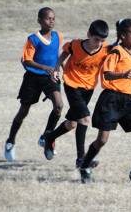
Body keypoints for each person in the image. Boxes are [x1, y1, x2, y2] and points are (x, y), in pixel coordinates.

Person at [79, 18, 131, 183]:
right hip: (111, 100)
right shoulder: (116, 51)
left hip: (127, 100)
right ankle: (85, 165)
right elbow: (106, 73)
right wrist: (122, 75)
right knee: (102, 140)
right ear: (122, 35)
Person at [41, 20, 110, 169]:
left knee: (72, 123)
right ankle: (81, 159)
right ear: (88, 35)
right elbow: (65, 52)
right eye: (96, 39)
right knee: (84, 119)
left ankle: (50, 137)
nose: (99, 43)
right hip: (72, 84)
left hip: (89, 88)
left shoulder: (105, 49)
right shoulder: (76, 45)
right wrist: (57, 66)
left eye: (102, 40)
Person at [4, 7, 64, 162]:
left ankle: (47, 138)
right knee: (24, 110)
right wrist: (45, 68)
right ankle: (10, 140)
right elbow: (27, 60)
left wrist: (60, 68)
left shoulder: (58, 36)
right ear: (39, 20)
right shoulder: (33, 38)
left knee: (59, 105)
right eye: (47, 18)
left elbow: (57, 55)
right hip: (33, 78)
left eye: (53, 18)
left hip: (50, 77)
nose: (51, 21)